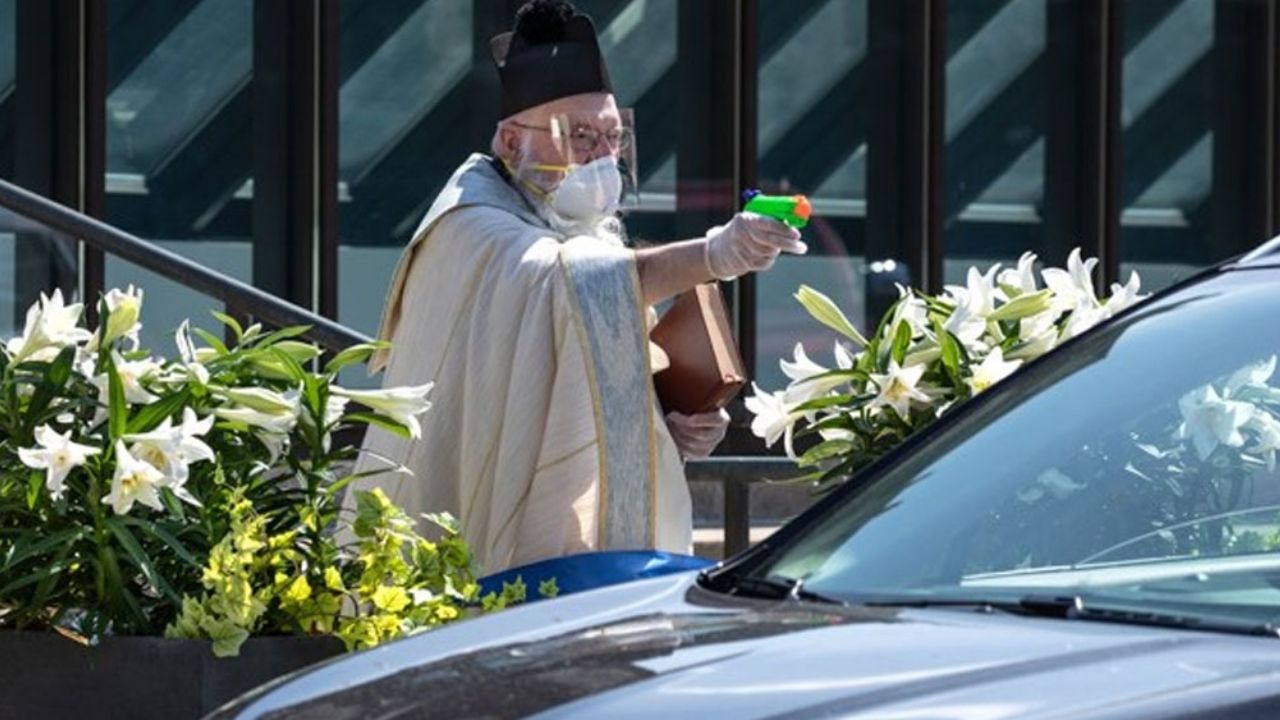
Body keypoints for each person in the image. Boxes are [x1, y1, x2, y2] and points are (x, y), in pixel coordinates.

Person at [351, 0, 806, 573]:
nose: (601, 156)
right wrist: (713, 255)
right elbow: (573, 285)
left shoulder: (577, 226)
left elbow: (580, 368)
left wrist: (667, 424)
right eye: (579, 135)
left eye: (613, 136)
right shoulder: (469, 224)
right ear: (510, 142)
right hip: (471, 507)